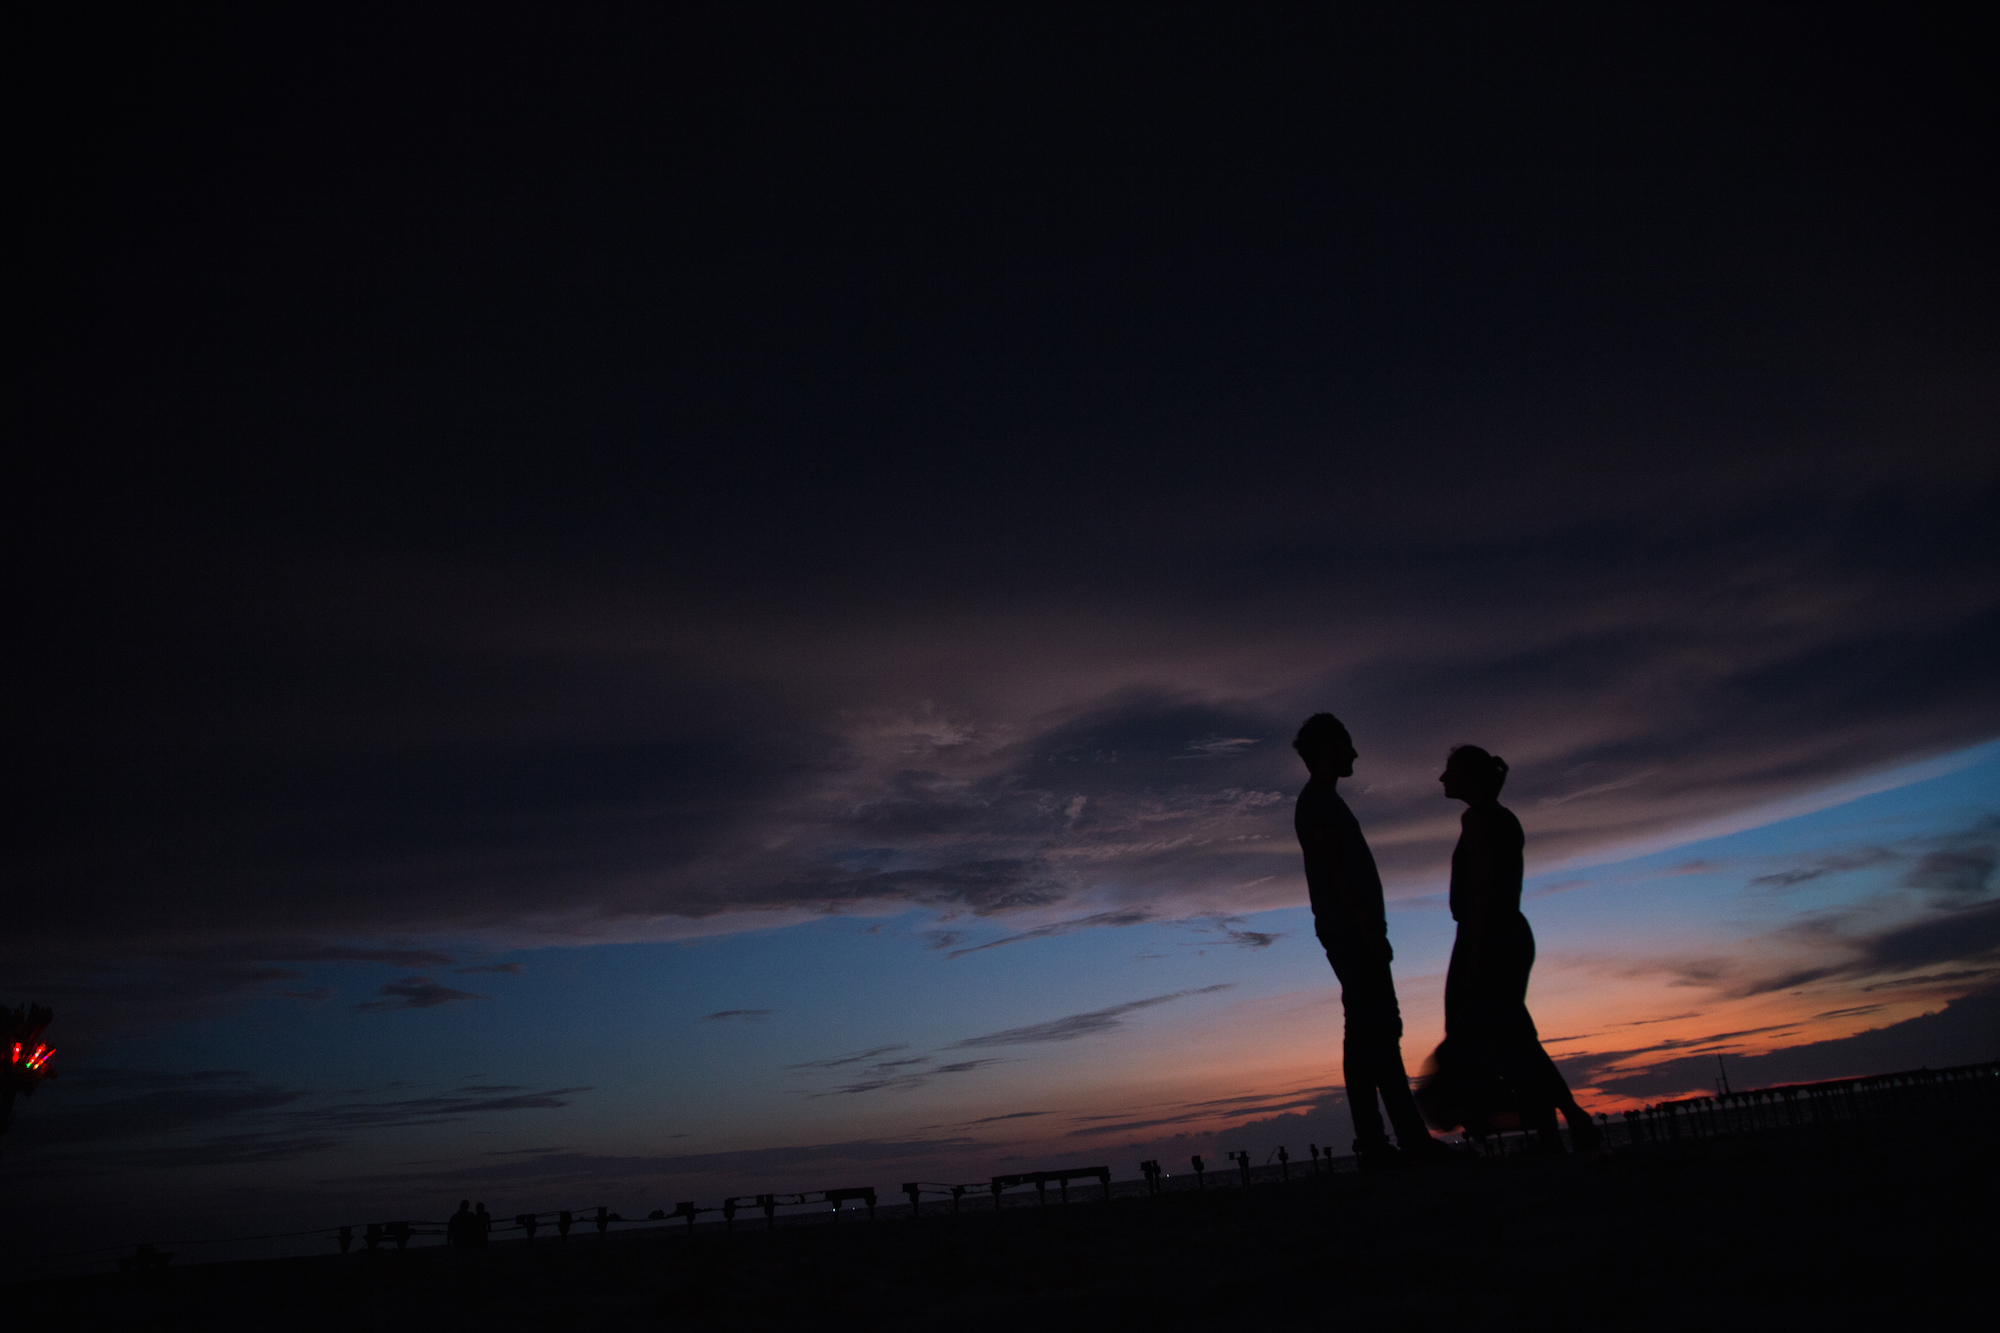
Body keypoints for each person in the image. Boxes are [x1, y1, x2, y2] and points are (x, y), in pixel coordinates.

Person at [1292, 713, 1458, 1167]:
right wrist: (1369, 932)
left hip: (1349, 931)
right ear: (1328, 748)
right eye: (1346, 744)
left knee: (1364, 1034)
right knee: (1381, 1031)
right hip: (1350, 933)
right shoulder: (1318, 804)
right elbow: (1336, 874)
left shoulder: (1323, 801)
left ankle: (1377, 1140)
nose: (1355, 753)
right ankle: (1406, 1139)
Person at [1420, 745, 1601, 1151]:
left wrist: (1474, 954)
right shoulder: (1500, 818)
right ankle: (1561, 1121)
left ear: (1468, 776)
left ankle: (1551, 1122)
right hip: (1506, 933)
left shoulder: (1479, 819)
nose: (1442, 779)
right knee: (1515, 1036)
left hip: (1488, 935)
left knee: (1501, 1037)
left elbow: (1484, 889)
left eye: (1449, 771)